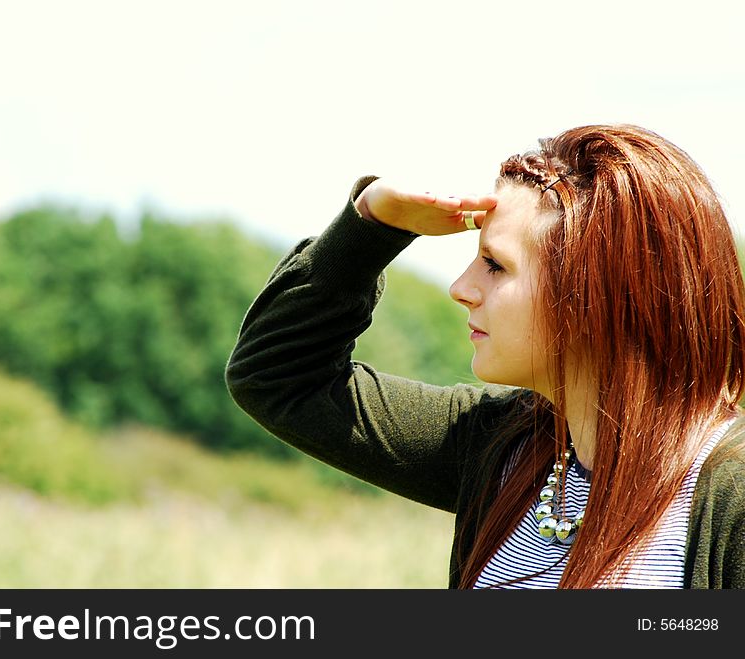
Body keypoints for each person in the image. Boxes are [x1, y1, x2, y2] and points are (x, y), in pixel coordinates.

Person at [225, 124, 745, 588]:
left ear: (599, 295)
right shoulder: (503, 446)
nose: (460, 288)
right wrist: (370, 226)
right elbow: (278, 378)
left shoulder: (731, 492)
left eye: (495, 266)